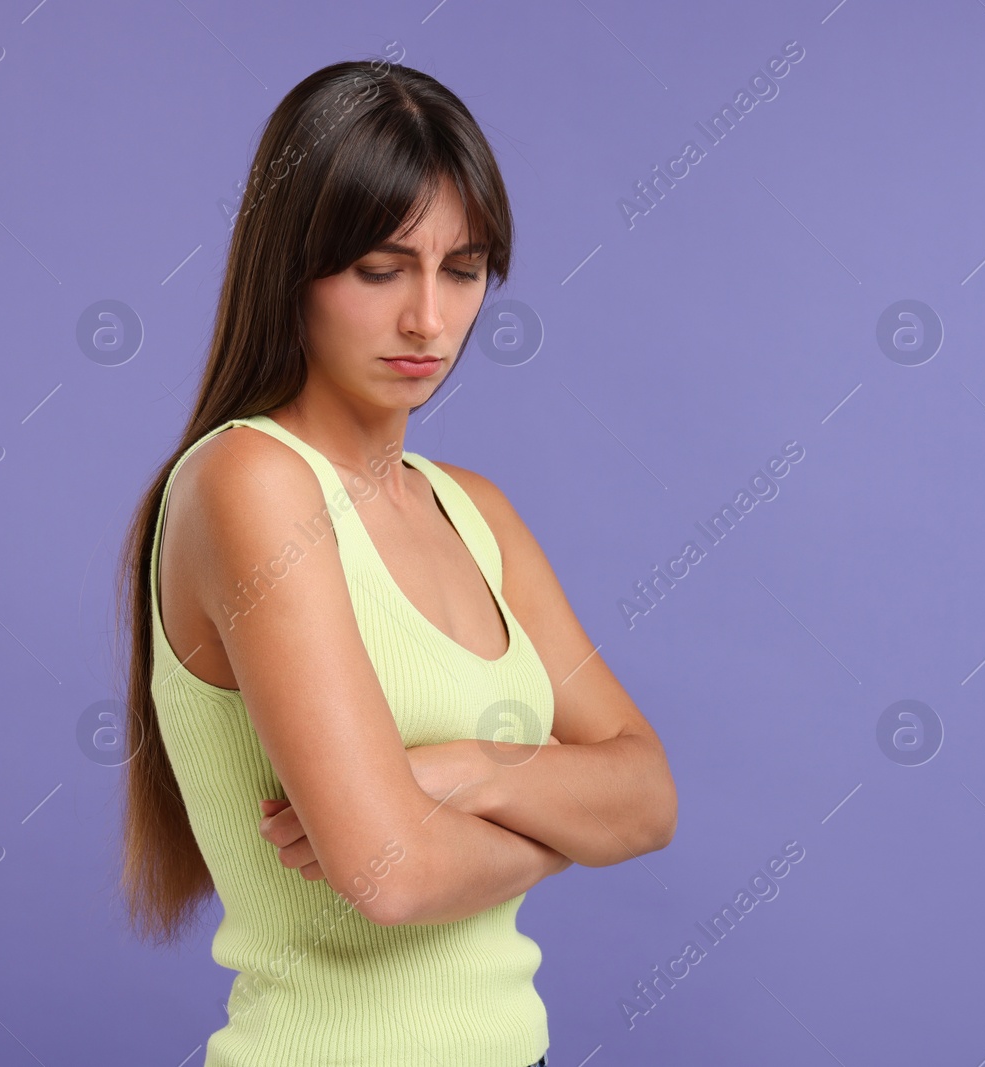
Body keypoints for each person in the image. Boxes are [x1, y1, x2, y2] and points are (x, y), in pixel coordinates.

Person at [114, 57, 677, 1066]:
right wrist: (563, 822)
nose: (428, 317)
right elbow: (390, 874)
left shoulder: (476, 510)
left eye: (461, 269)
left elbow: (647, 797)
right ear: (292, 265)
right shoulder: (249, 481)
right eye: (381, 267)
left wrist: (461, 770)